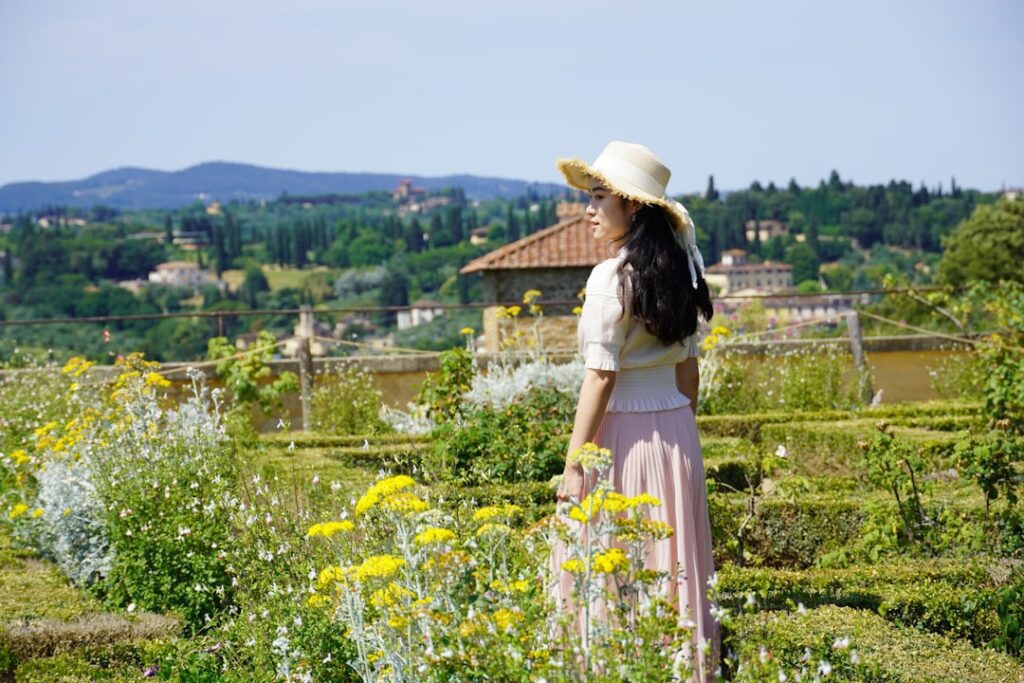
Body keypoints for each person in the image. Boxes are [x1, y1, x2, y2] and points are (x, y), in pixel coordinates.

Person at [550, 141, 719, 680]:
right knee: (672, 563)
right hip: (675, 430)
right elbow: (688, 372)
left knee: (610, 557)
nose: (588, 208)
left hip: (620, 436)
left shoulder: (609, 278)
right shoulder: (682, 275)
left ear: (634, 208)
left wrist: (574, 465)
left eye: (600, 197)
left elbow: (600, 377)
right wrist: (677, 424)